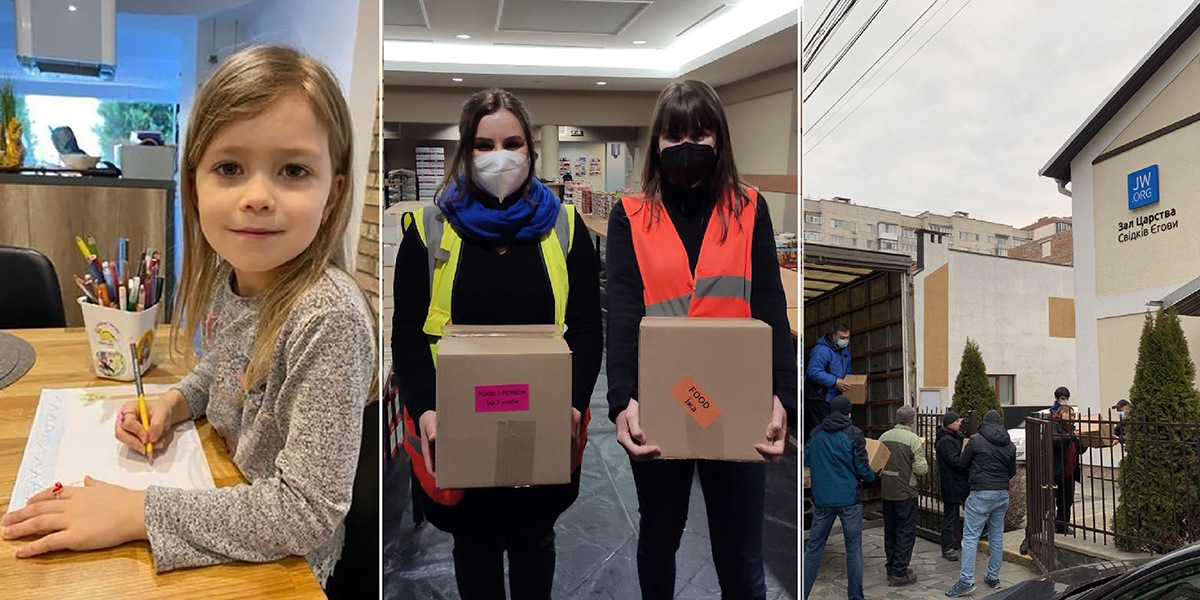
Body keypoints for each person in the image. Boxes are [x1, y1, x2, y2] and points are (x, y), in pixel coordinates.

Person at [2, 45, 375, 588]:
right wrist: (175, 403)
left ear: (332, 193)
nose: (257, 196)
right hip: (223, 497)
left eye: (293, 170)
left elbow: (306, 512)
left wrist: (136, 512)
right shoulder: (235, 276)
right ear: (194, 185)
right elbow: (224, 368)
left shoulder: (328, 319)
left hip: (285, 568)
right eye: (230, 168)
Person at [392, 88, 603, 599]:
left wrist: (575, 403)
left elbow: (585, 325)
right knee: (475, 551)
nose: (499, 157)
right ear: (465, 151)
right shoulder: (429, 231)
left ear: (531, 149)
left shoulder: (565, 229)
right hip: (461, 430)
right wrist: (425, 408)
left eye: (512, 143)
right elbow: (409, 333)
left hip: (543, 427)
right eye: (484, 145)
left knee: (536, 545)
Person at [606, 79, 796, 600]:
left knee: (742, 562)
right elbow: (622, 313)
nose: (686, 147)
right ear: (657, 142)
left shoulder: (749, 209)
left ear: (719, 140)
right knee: (659, 539)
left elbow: (770, 307)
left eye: (699, 135)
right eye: (674, 136)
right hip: (661, 402)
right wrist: (622, 400)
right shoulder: (631, 214)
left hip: (735, 405)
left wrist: (782, 396)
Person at [803, 396, 878, 600]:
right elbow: (862, 467)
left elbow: (807, 459)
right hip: (849, 501)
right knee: (853, 550)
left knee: (813, 549)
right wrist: (873, 477)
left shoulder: (815, 433)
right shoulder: (854, 434)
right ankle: (855, 597)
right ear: (848, 412)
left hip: (822, 501)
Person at [946, 410, 1016, 597]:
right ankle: (993, 577)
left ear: (984, 423)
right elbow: (1012, 472)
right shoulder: (1009, 444)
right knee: (996, 537)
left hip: (981, 492)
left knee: (970, 538)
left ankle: (966, 581)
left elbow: (962, 463)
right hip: (1002, 493)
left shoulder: (976, 440)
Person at [879, 405, 928, 586]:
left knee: (890, 531)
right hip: (906, 493)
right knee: (905, 533)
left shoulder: (884, 437)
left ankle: (891, 567)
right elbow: (921, 469)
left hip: (887, 491)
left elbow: (877, 461)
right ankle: (899, 573)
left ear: (897, 419)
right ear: (912, 420)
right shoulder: (913, 440)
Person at [805, 324, 852, 442]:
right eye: (842, 337)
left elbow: (847, 371)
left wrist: (848, 382)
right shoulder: (821, 350)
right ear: (834, 336)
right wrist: (835, 382)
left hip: (833, 398)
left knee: (830, 430)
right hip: (818, 396)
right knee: (820, 430)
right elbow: (814, 371)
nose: (845, 340)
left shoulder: (845, 352)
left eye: (847, 337)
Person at [936, 410, 970, 562]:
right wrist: (966, 459)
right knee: (950, 516)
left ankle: (961, 540)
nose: (960, 424)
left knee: (970, 511)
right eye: (957, 422)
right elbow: (954, 461)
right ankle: (947, 547)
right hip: (951, 482)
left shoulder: (955, 437)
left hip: (960, 482)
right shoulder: (945, 441)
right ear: (950, 424)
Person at [1052, 404, 1084, 535]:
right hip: (1056, 472)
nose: (1073, 418)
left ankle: (1062, 526)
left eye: (1074, 416)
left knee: (1066, 502)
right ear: (1062, 414)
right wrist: (1072, 437)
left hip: (1069, 473)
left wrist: (1084, 442)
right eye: (1071, 415)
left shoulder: (1071, 429)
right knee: (1049, 503)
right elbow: (1053, 441)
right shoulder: (1053, 425)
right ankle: (1044, 527)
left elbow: (1079, 450)